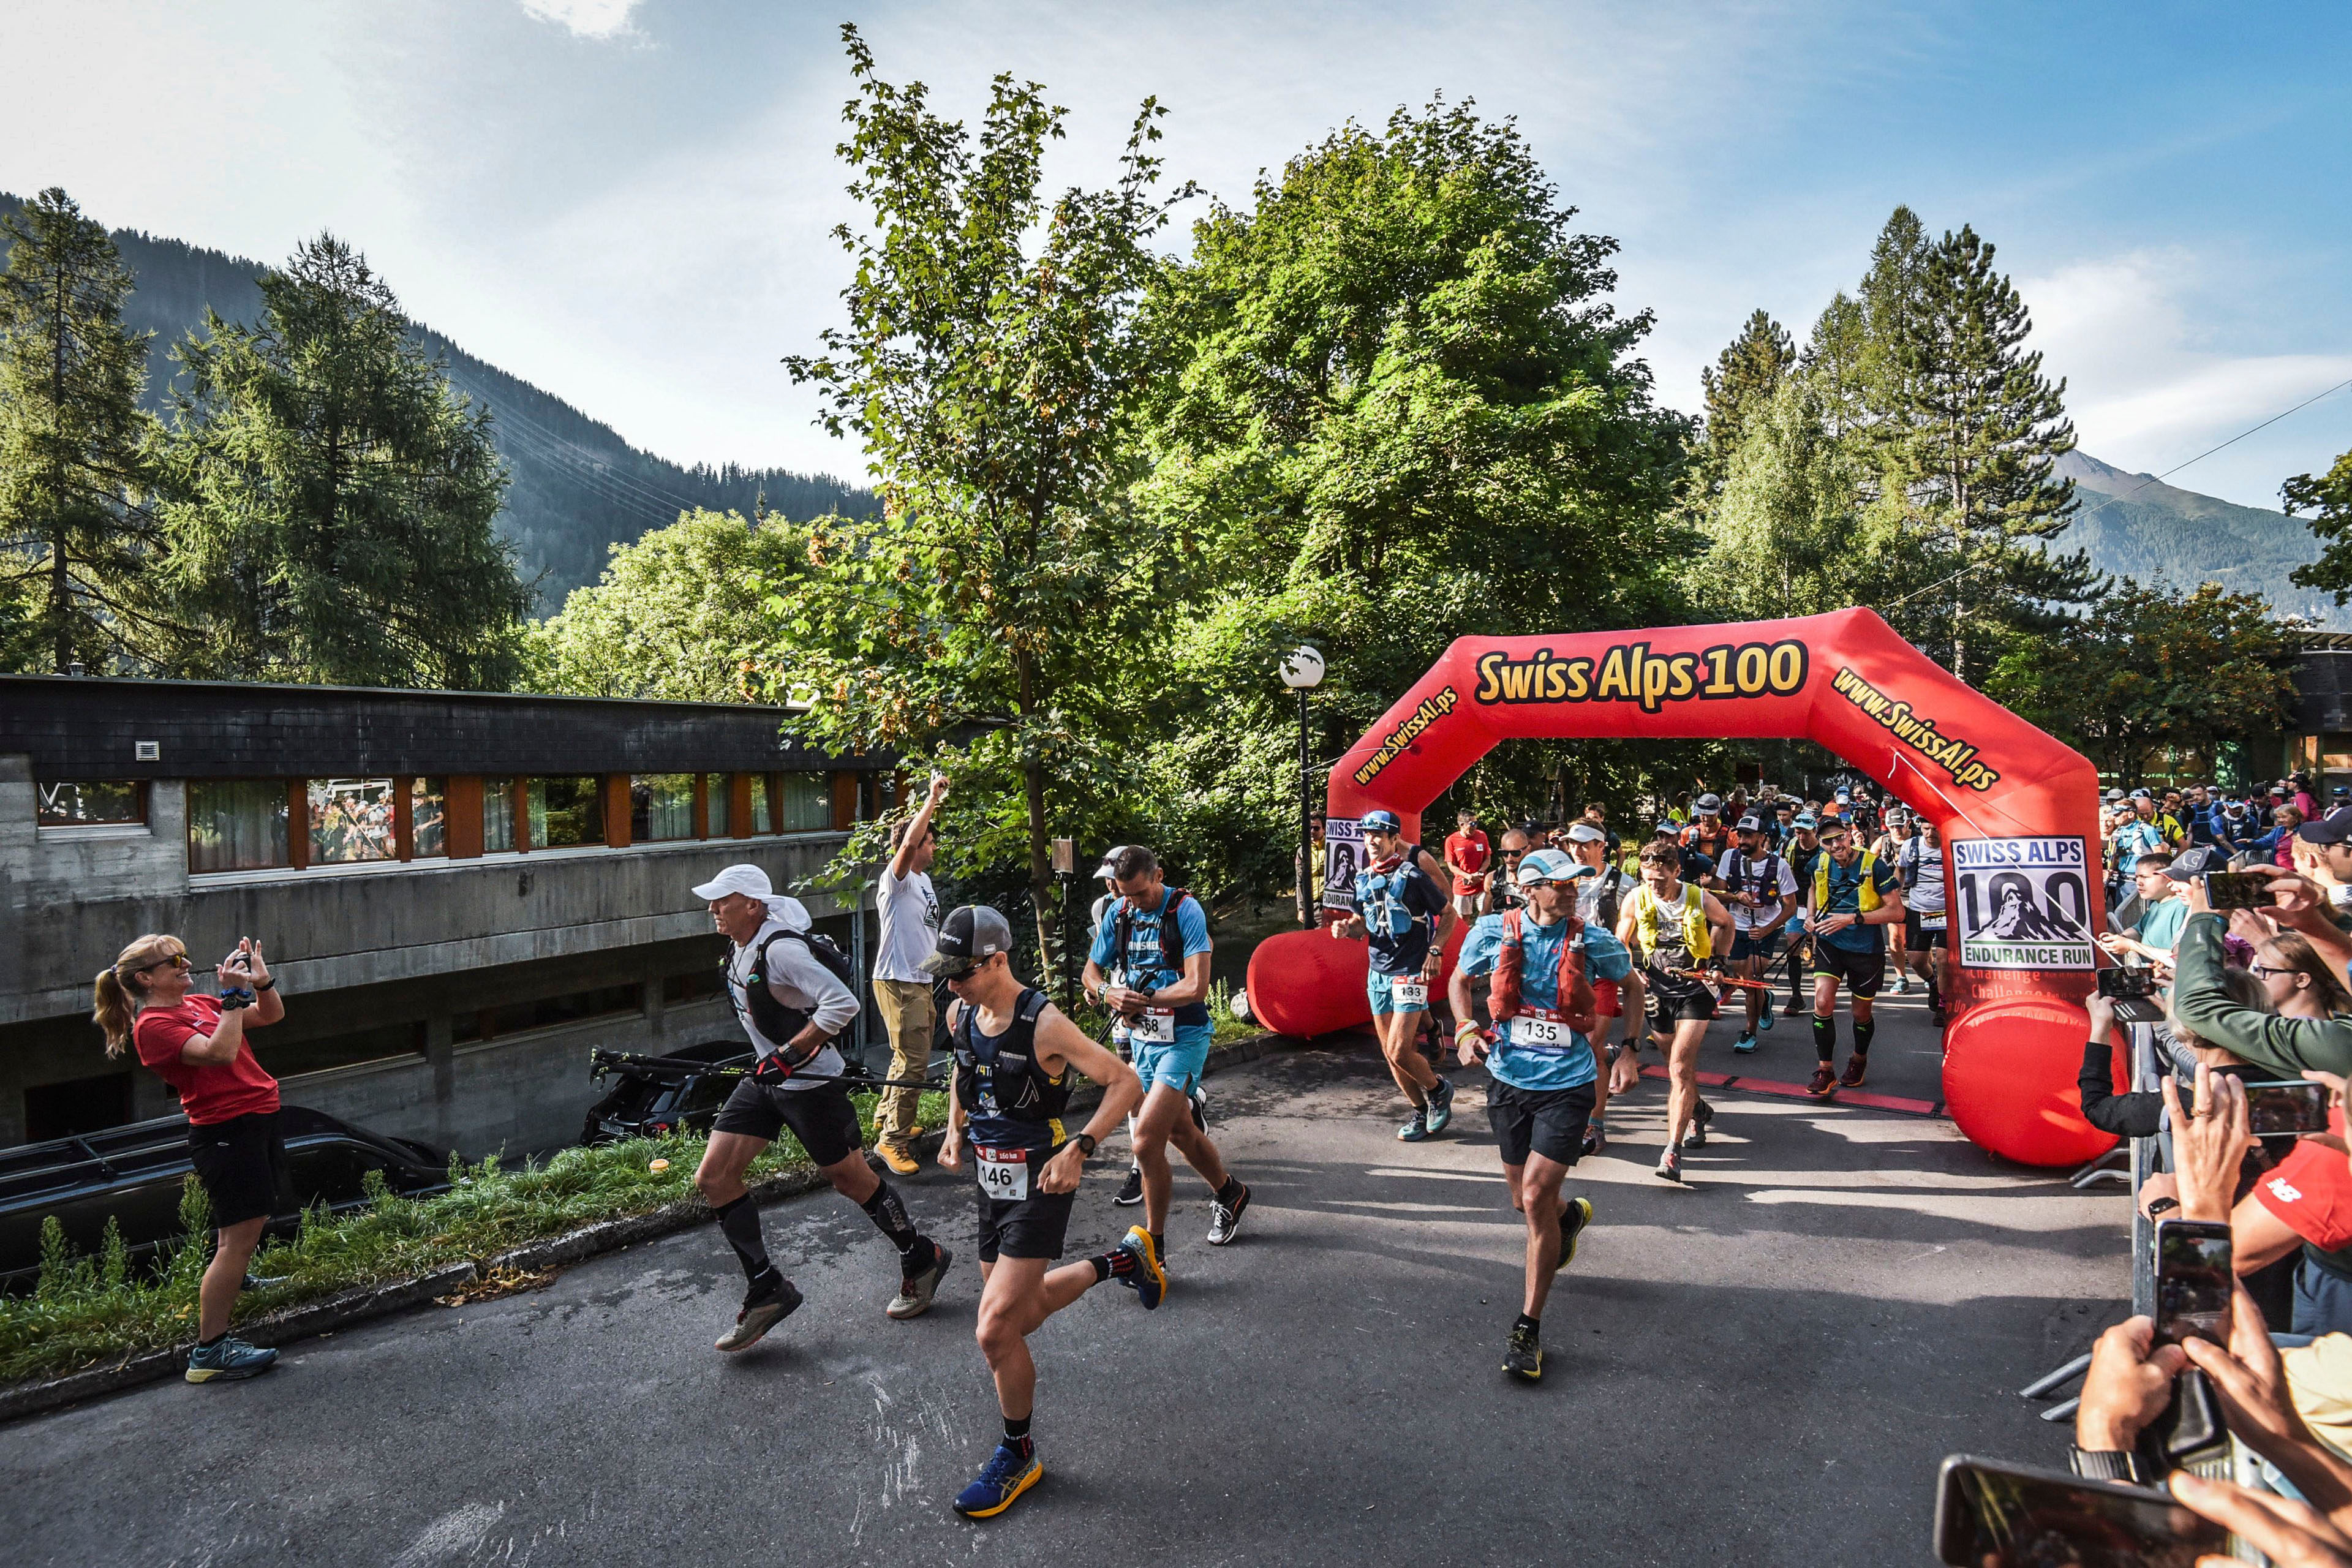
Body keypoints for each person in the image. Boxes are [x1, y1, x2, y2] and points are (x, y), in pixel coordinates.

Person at [932, 905, 1151, 1519]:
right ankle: (1122, 1260)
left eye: (962, 972)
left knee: (995, 1328)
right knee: (1020, 1316)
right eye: (945, 974)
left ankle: (1017, 1452)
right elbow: (962, 1068)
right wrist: (954, 1130)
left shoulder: (1045, 1023)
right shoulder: (961, 1012)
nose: (951, 985)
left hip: (1040, 1182)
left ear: (999, 959)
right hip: (989, 1179)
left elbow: (1125, 1080)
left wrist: (1081, 1147)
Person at [690, 864, 952, 1352]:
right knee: (714, 1177)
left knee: (851, 1179)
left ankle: (922, 1255)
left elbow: (843, 1004)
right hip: (767, 1077)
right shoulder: (742, 943)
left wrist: (790, 1056)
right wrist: (774, 1063)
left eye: (722, 901)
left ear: (752, 904)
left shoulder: (782, 950)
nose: (713, 910)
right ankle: (767, 1287)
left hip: (809, 1081)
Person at [1444, 848, 1632, 1382]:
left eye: (1576, 883)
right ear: (1530, 889)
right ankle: (1569, 1218)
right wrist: (1463, 1030)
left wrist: (1633, 1048)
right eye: (1560, 884)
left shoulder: (1591, 939)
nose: (1572, 890)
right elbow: (1460, 981)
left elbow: (1633, 985)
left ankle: (1527, 1329)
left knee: (1532, 1197)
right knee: (1524, 1201)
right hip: (1508, 1082)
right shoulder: (1492, 931)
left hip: (1568, 1087)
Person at [99, 933, 287, 1382]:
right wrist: (232, 999)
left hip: (254, 1118)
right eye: (173, 961)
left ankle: (235, 1280)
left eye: (184, 955)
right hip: (226, 1130)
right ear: (146, 978)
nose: (186, 964)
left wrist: (259, 985)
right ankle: (210, 1351)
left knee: (247, 1225)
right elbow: (220, 1054)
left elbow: (271, 1015)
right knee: (238, 1238)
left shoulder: (200, 1003)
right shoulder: (152, 1027)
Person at [1084, 845, 1251, 1254]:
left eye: (1140, 893)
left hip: (1185, 1038)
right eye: (1125, 894)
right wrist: (1108, 992)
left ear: (1158, 876)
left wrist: (1144, 998)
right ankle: (1230, 1193)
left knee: (1143, 1142)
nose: (1134, 903)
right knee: (1180, 1130)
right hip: (1142, 1043)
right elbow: (1091, 972)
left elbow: (1196, 986)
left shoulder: (1185, 911)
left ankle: (1153, 1247)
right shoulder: (1119, 913)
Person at [1335, 809, 1457, 1142]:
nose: (1371, 841)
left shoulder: (1414, 876)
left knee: (1400, 1050)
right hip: (1378, 973)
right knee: (1389, 1053)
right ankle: (1420, 1110)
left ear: (1394, 839)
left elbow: (1449, 914)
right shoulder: (1362, 879)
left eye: (1379, 835)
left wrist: (1435, 950)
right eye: (1367, 835)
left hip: (1410, 972)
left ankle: (1438, 1089)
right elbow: (1364, 924)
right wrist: (1347, 928)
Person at [1617, 839, 1733, 1182]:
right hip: (1656, 990)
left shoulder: (1699, 897)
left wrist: (1719, 960)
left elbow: (1727, 924)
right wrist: (1631, 968)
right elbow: (1620, 940)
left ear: (1677, 871)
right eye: (1648, 878)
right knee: (1674, 1065)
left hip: (1695, 988)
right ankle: (1697, 1109)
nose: (1654, 885)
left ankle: (1672, 1151)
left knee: (1680, 1067)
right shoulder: (1636, 898)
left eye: (1661, 879)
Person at [872, 772, 949, 1175]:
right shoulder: (897, 879)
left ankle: (888, 1119)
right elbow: (905, 843)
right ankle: (892, 1142)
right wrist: (931, 800)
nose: (934, 847)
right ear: (914, 846)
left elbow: (926, 936)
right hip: (899, 982)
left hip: (919, 980)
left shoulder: (923, 880)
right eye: (929, 841)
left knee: (907, 1056)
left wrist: (947, 972)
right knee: (915, 1062)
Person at [1804, 820, 1905, 1097]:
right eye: (1827, 842)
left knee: (1860, 1013)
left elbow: (1897, 912)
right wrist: (1811, 916)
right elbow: (1813, 887)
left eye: (1839, 838)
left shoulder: (1874, 865)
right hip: (1829, 943)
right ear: (1821, 844)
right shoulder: (1819, 862)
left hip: (1865, 948)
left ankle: (1858, 1059)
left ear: (1849, 836)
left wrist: (1853, 918)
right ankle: (1825, 1070)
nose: (1835, 845)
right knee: (1823, 1001)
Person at [1564, 822, 1644, 1154]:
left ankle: (1594, 1125)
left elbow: (1638, 927)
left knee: (1591, 1048)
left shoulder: (1624, 884)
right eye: (1573, 845)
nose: (1578, 851)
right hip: (1567, 973)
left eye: (1586, 845)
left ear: (1602, 847)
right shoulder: (1562, 878)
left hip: (1604, 975)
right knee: (1568, 1046)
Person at [1716, 815, 1796, 1054]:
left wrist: (1766, 930)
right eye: (1740, 835)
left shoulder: (1779, 865)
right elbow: (1718, 894)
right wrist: (1736, 896)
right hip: (1737, 925)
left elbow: (1791, 906)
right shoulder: (1729, 858)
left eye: (1748, 836)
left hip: (1767, 926)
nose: (1742, 840)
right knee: (1742, 979)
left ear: (1762, 838)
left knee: (1751, 978)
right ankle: (1764, 998)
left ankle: (1750, 1033)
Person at [1896, 819, 1950, 1025]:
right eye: (1926, 828)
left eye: (1935, 829)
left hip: (1947, 911)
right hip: (1920, 910)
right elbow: (1900, 871)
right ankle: (1933, 982)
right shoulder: (1911, 846)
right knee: (1917, 960)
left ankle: (1943, 1006)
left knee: (1943, 960)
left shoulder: (1950, 845)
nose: (1930, 834)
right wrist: (1895, 899)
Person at [2101, 850, 2190, 974]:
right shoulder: (2156, 905)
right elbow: (2139, 930)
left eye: (2145, 877)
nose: (2139, 883)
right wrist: (2119, 939)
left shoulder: (2181, 909)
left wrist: (2130, 945)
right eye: (2137, 877)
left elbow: (2177, 957)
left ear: (2169, 878)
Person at [1780, 812, 1827, 1018]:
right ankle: (1796, 995)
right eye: (1798, 832)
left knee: (1821, 951)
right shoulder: (1790, 846)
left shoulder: (1824, 849)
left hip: (1823, 905)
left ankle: (1823, 996)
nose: (1801, 836)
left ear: (1814, 832)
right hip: (1798, 904)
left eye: (1805, 833)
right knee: (1792, 947)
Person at [1869, 810, 1913, 992]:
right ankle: (1901, 977)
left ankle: (1926, 966)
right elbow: (1867, 864)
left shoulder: (1917, 842)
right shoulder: (1883, 842)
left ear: (1908, 823)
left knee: (1914, 941)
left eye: (1900, 826)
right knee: (1895, 937)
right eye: (1892, 826)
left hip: (1917, 895)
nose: (1896, 830)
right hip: (1893, 896)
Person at [1444, 810, 1491, 924]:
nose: (1475, 827)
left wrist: (1480, 872)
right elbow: (1451, 865)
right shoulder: (1451, 840)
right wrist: (1468, 876)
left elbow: (1488, 858)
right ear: (1462, 825)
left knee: (1487, 916)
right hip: (1462, 886)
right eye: (1472, 824)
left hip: (1481, 885)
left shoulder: (1482, 835)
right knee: (1462, 921)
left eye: (1476, 823)